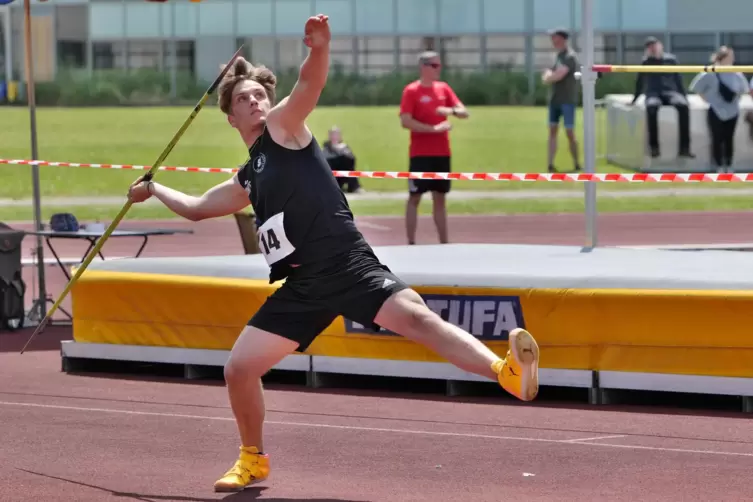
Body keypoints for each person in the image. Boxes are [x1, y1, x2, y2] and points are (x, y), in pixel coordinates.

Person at [126, 15, 540, 493]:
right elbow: (199, 209)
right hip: (302, 285)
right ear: (231, 117)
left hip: (347, 264)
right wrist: (155, 188)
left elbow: (308, 83)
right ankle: (252, 459)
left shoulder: (284, 128)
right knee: (238, 369)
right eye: (244, 99)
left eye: (259, 94)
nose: (256, 101)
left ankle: (504, 372)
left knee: (419, 319)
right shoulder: (249, 175)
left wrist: (319, 47)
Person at [399, 51, 469, 245]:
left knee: (440, 199)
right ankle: (411, 243)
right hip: (420, 154)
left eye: (440, 65)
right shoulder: (411, 91)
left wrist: (451, 111)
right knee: (415, 197)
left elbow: (464, 112)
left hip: (442, 153)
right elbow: (405, 121)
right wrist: (432, 129)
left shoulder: (444, 89)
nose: (439, 69)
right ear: (424, 67)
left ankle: (444, 243)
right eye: (435, 65)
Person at [631, 37, 695, 159]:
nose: (653, 49)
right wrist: (635, 99)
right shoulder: (646, 62)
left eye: (655, 45)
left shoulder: (671, 60)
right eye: (650, 47)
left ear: (660, 46)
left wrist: (684, 96)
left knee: (683, 106)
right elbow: (640, 82)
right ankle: (654, 148)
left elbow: (678, 79)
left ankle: (684, 149)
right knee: (651, 107)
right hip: (653, 93)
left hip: (671, 92)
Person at [689, 46, 750, 172]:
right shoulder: (711, 72)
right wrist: (708, 100)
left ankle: (729, 164)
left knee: (729, 138)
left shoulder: (736, 73)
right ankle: (718, 166)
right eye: (729, 56)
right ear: (722, 58)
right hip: (715, 110)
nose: (732, 59)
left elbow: (744, 89)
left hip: (733, 111)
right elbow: (696, 87)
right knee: (716, 138)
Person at [541, 28, 581, 173]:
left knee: (569, 132)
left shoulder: (570, 57)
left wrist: (548, 77)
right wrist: (549, 75)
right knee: (552, 131)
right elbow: (548, 71)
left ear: (563, 39)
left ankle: (576, 162)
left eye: (555, 37)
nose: (553, 40)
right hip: (555, 100)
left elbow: (558, 75)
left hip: (567, 100)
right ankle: (550, 164)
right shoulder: (557, 56)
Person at [322, 125, 363, 193]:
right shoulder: (326, 148)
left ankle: (354, 187)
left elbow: (352, 160)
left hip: (343, 175)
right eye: (333, 134)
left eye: (336, 135)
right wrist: (334, 150)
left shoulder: (344, 147)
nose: (334, 137)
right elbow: (325, 160)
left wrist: (342, 151)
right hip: (331, 176)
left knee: (349, 166)